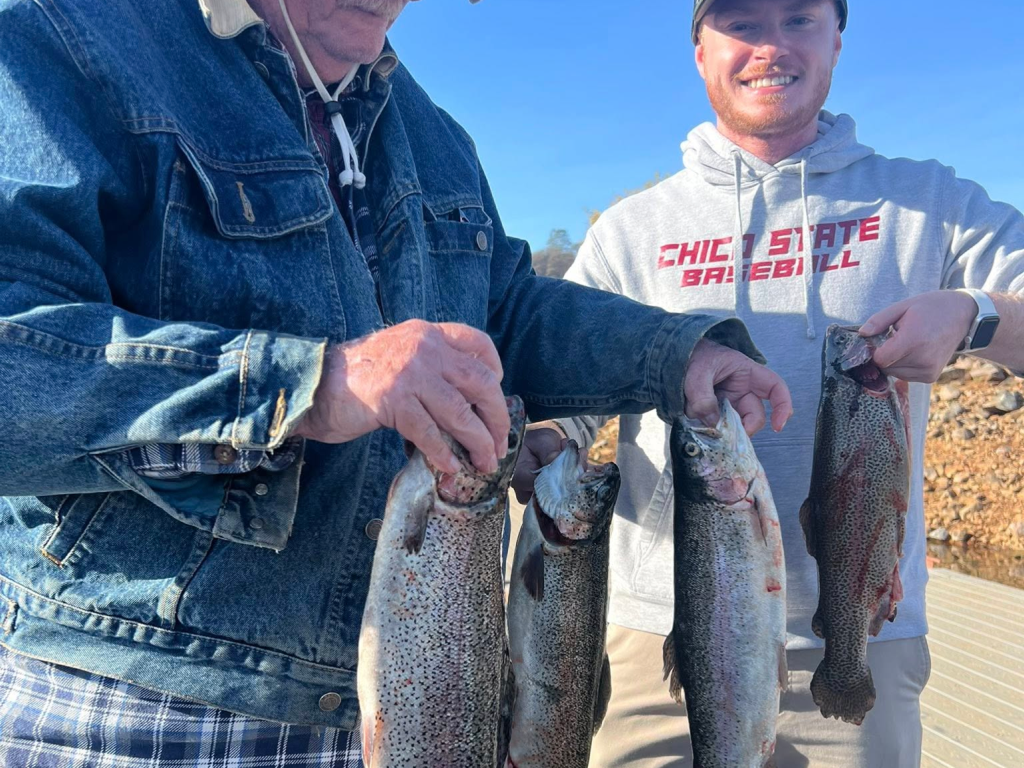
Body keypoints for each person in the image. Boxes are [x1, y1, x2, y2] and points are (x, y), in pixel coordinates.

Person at [0, 0, 794, 765]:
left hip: (423, 689)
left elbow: (507, 310)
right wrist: (314, 384)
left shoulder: (430, 132)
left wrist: (672, 355)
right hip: (139, 699)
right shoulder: (67, 36)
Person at [512, 1, 1024, 766]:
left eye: (798, 18)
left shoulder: (931, 204)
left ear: (837, 40)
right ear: (700, 50)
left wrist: (976, 315)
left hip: (860, 637)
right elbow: (572, 396)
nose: (770, 47)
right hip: (663, 641)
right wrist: (548, 438)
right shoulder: (629, 230)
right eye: (742, 22)